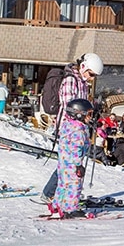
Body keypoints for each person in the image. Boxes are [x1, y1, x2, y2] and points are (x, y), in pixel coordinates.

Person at [40, 53, 103, 204]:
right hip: (68, 129)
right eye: (91, 74)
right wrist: (82, 115)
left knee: (71, 163)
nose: (91, 78)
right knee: (68, 163)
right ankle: (51, 193)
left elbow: (82, 106)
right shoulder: (70, 80)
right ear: (83, 67)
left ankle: (63, 191)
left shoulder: (82, 82)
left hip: (78, 128)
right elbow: (70, 107)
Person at [47, 98, 94, 219]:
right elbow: (76, 147)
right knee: (74, 184)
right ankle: (70, 208)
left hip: (63, 161)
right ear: (79, 114)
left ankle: (57, 205)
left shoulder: (68, 125)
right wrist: (78, 165)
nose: (91, 117)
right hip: (73, 162)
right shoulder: (78, 130)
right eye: (89, 114)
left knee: (63, 183)